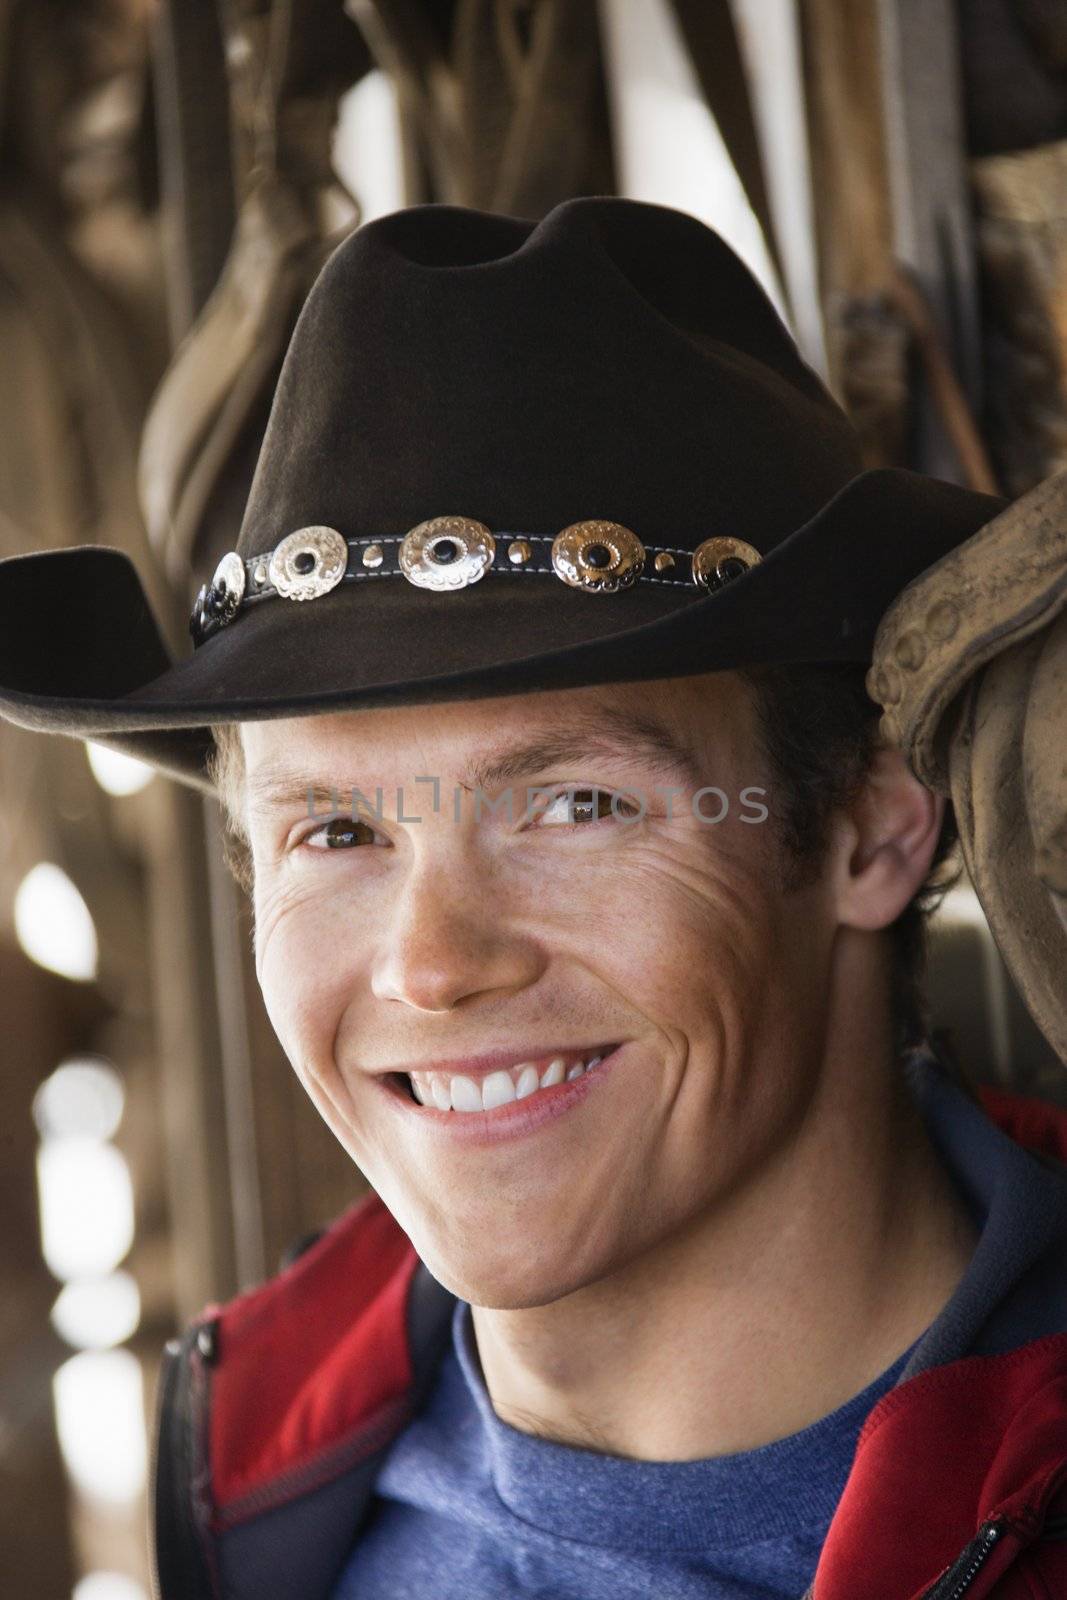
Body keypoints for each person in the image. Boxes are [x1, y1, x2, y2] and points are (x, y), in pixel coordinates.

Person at [2, 198, 1066, 1600]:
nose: (432, 966)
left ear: (872, 829)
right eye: (335, 830)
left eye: (578, 806)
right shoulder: (263, 1480)